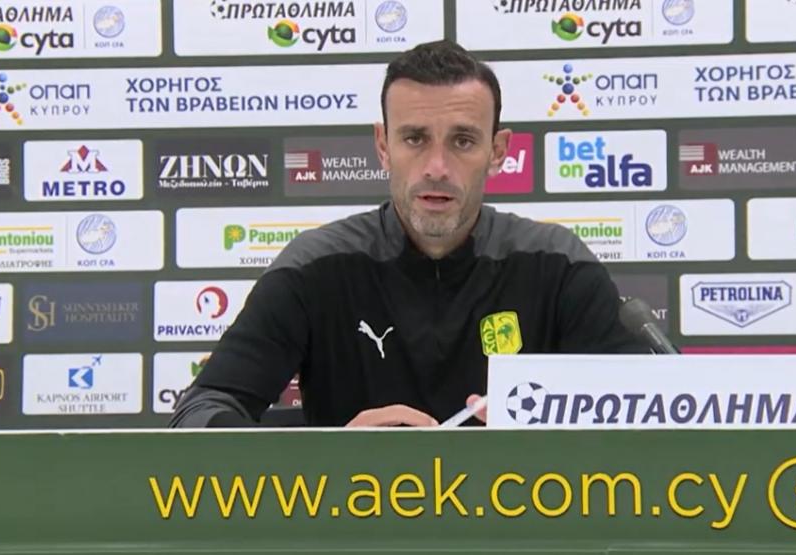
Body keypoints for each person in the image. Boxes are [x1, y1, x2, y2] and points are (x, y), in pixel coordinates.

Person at [170, 39, 648, 429]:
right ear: (383, 146)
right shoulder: (316, 267)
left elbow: (651, 412)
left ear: (498, 151)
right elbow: (202, 410)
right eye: (415, 139)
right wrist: (327, 456)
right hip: (356, 513)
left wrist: (537, 435)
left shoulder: (557, 264)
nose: (437, 167)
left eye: (463, 140)